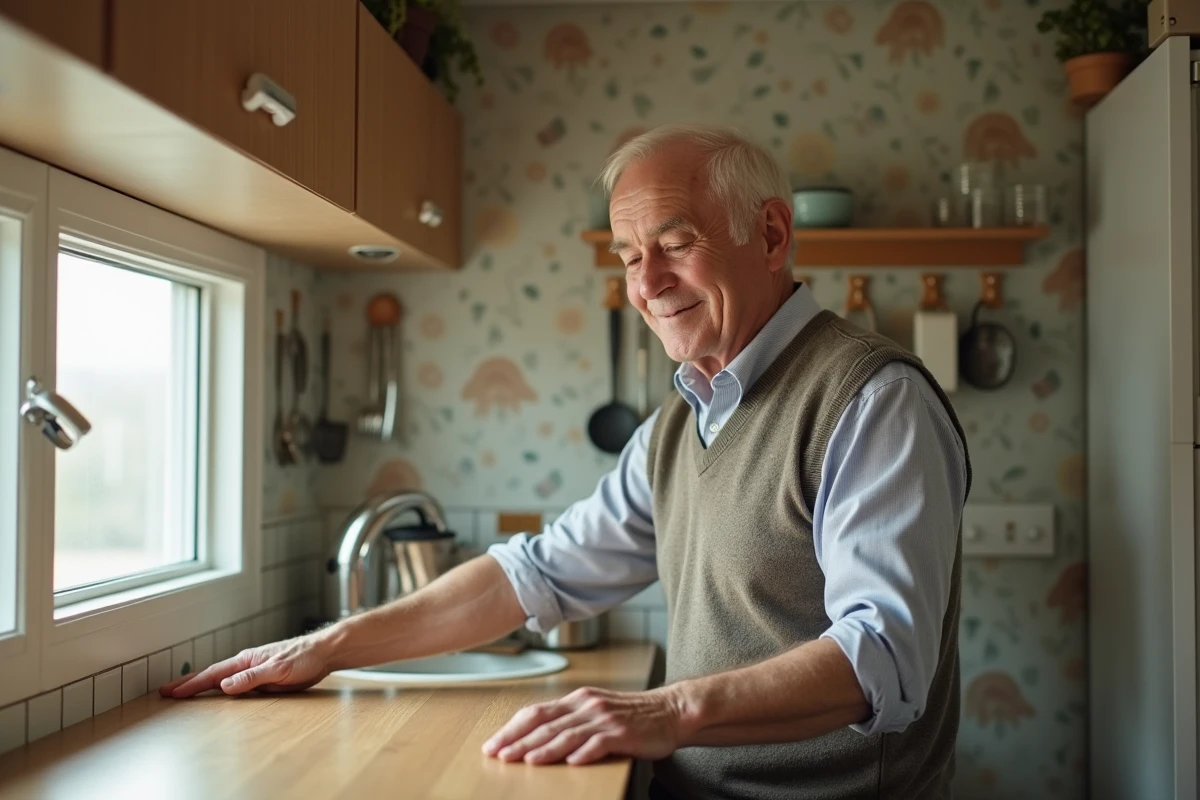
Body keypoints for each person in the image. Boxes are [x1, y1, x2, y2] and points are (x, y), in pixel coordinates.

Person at [160, 124, 970, 800]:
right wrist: (329, 646)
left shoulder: (871, 400)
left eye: (675, 244)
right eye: (626, 257)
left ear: (770, 235)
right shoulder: (677, 426)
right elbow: (535, 573)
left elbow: (884, 654)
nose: (645, 284)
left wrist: (666, 710)